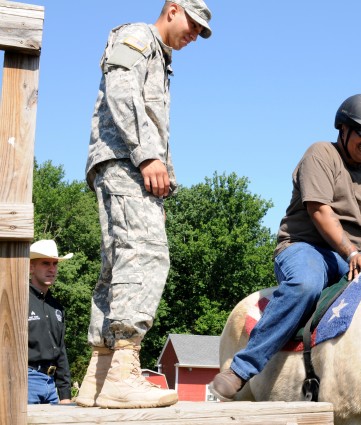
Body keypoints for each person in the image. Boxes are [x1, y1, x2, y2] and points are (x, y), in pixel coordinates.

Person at [212, 93, 361, 401]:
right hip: (304, 246)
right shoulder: (321, 154)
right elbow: (319, 210)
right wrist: (352, 251)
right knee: (305, 285)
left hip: (354, 257)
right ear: (344, 129)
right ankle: (242, 369)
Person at [77, 0, 212, 409]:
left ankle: (99, 377)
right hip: (125, 160)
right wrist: (146, 155)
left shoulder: (160, 54)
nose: (194, 34)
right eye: (193, 23)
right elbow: (122, 92)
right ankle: (124, 371)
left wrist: (161, 172)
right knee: (146, 255)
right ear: (172, 9)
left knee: (117, 265)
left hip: (127, 164)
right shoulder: (138, 35)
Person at [28, 240, 73, 404]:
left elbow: (61, 351)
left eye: (55, 264)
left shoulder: (57, 307)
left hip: (51, 385)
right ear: (31, 267)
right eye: (46, 263)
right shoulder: (18, 301)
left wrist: (65, 395)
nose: (52, 269)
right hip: (25, 381)